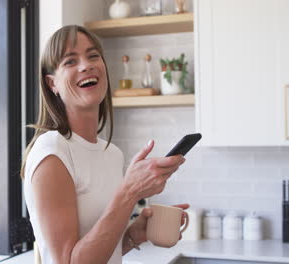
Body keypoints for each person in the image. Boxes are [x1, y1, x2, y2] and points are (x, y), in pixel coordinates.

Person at [21, 25, 188, 264]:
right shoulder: (52, 153)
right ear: (52, 84)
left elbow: (99, 254)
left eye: (93, 56)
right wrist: (129, 192)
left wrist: (132, 236)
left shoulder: (112, 154)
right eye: (70, 61)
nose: (86, 65)